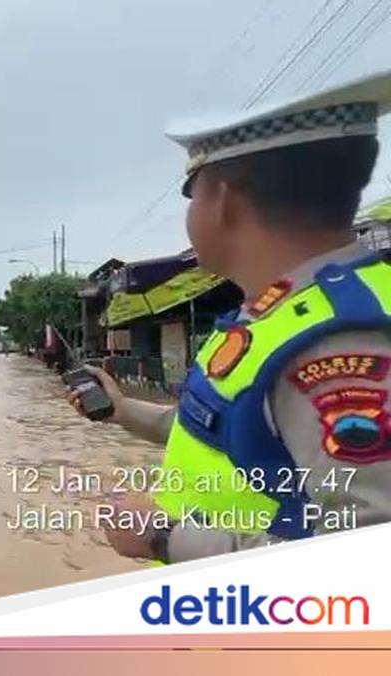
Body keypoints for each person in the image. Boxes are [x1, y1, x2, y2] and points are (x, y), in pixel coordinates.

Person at [70, 70, 391, 565]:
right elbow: (229, 436)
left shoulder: (338, 342)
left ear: (223, 201)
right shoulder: (276, 315)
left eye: (190, 193)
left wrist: (163, 537)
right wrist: (124, 410)